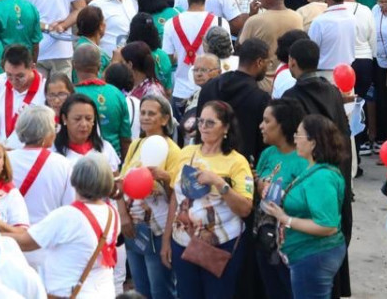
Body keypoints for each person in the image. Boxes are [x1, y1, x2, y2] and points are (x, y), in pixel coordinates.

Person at [163, 100, 253, 296]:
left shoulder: (237, 162)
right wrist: (166, 241)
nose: (203, 127)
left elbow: (245, 208)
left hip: (220, 245)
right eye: (200, 121)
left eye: (210, 123)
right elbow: (174, 200)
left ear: (226, 127)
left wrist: (219, 183)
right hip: (182, 242)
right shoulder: (186, 153)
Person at [260, 113, 348, 299]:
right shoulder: (312, 169)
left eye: (298, 135)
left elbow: (327, 225)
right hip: (305, 253)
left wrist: (286, 219)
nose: (295, 140)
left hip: (314, 254)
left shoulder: (322, 178)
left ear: (313, 142)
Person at [7, 153, 118, 299]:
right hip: (104, 293)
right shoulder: (112, 213)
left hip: (68, 294)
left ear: (76, 179)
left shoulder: (67, 215)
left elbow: (25, 242)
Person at [119, 94, 180, 299]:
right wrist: (123, 217)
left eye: (151, 114)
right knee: (140, 289)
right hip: (133, 228)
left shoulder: (173, 151)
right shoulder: (136, 145)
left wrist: (164, 178)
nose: (145, 117)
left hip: (158, 230)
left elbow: (177, 197)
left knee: (160, 290)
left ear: (164, 119)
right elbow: (121, 182)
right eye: (143, 113)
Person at [252, 98, 307, 297]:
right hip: (264, 239)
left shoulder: (302, 160)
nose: (261, 126)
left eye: (267, 121)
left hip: (289, 245)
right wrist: (258, 185)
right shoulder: (267, 154)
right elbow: (258, 189)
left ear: (283, 125)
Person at [197, 38, 270, 164]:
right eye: (268, 63)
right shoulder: (261, 98)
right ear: (259, 62)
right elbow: (262, 140)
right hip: (243, 166)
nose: (268, 67)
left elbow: (199, 126)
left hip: (206, 161)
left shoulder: (209, 86)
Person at [8, 105, 74, 227]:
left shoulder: (5, 160)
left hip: (12, 235)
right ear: (47, 132)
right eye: (54, 127)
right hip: (49, 237)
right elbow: (70, 207)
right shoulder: (63, 164)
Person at [54, 93, 121, 171]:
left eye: (88, 118)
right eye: (77, 119)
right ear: (64, 119)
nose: (83, 124)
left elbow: (115, 180)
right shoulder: (52, 151)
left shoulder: (105, 148)